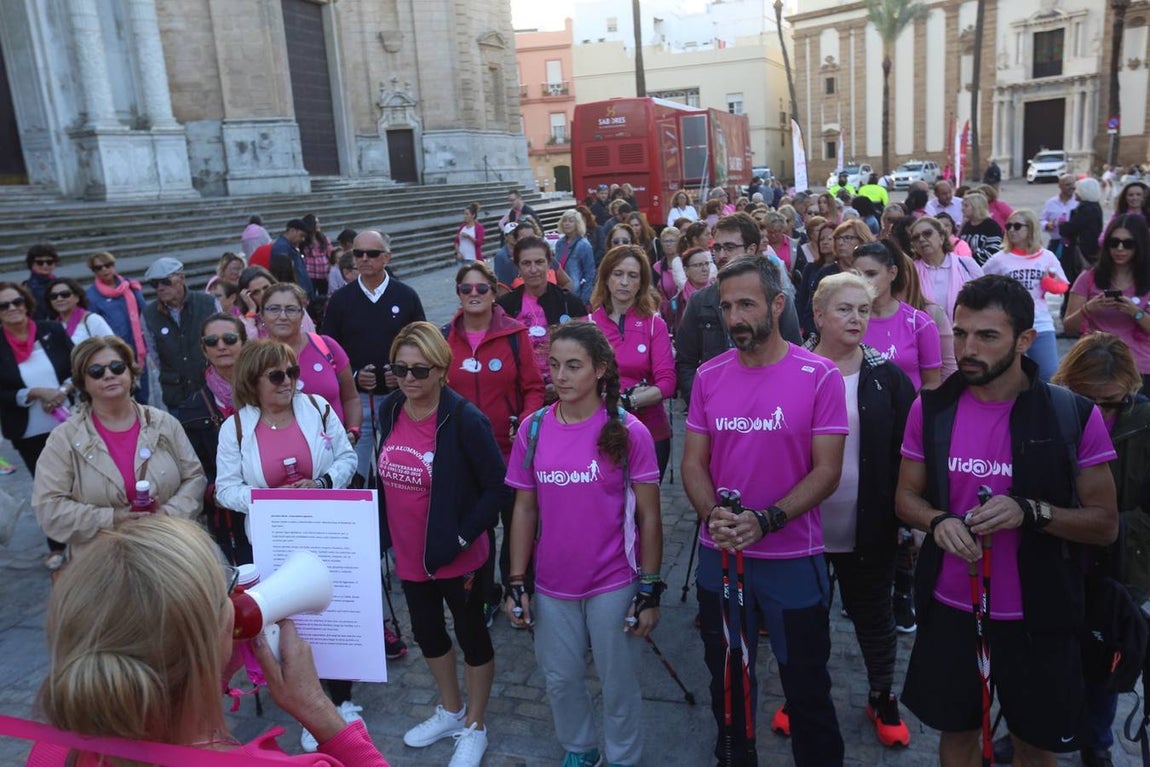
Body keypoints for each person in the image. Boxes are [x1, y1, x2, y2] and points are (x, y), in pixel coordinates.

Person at [896, 274, 1118, 766]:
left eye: (987, 336)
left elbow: (1105, 523)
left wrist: (1031, 512)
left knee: (1034, 745)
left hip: (1039, 615)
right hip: (951, 605)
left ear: (1023, 340)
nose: (968, 348)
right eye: (960, 333)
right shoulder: (931, 408)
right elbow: (905, 499)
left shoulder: (1072, 415)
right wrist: (937, 522)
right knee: (957, 735)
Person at [28, 515, 391, 766]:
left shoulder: (52, 748)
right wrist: (315, 705)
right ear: (214, 633)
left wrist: (207, 669)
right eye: (225, 593)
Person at [682, 255, 848, 766]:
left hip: (793, 559)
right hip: (722, 558)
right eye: (727, 305)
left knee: (806, 685)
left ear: (777, 305)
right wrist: (713, 515)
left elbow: (827, 471)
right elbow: (692, 463)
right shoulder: (709, 376)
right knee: (728, 680)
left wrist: (767, 519)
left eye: (746, 304)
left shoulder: (819, 375)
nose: (734, 317)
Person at [505, 321, 663, 767]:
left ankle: (624, 757)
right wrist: (517, 580)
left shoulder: (629, 431)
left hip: (613, 581)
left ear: (600, 370)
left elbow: (649, 516)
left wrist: (650, 588)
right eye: (554, 365)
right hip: (553, 583)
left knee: (618, 681)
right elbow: (524, 509)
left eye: (573, 366)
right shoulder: (533, 430)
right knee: (560, 678)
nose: (561, 375)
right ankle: (579, 747)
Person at [372, 322, 505, 767]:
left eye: (420, 370)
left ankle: (476, 725)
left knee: (472, 637)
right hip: (410, 557)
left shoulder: (465, 419)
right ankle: (451, 709)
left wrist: (462, 536)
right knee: (429, 635)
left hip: (457, 557)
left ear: (442, 370)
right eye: (400, 369)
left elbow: (496, 489)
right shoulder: (391, 408)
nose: (409, 379)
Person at [803, 271, 916, 747]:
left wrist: (909, 519)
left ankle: (881, 693)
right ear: (819, 314)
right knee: (805, 619)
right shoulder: (795, 369)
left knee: (873, 617)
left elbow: (908, 451)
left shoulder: (885, 376)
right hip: (803, 525)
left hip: (868, 523)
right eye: (845, 309)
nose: (856, 319)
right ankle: (802, 693)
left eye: (864, 310)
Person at [1048, 333, 1150, 767]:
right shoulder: (1049, 413)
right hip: (1056, 554)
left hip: (1121, 563)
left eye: (1110, 402)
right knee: (1045, 652)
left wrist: (1111, 525)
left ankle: (1096, 740)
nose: (1098, 411)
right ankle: (1036, 732)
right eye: (1087, 398)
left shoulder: (1144, 425)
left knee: (1105, 656)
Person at [32, 335, 206, 565]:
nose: (108, 375)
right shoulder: (63, 439)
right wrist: (113, 518)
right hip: (103, 566)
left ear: (130, 372)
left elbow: (194, 478)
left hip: (171, 552)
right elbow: (49, 509)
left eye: (116, 366)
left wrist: (167, 513)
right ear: (82, 382)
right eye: (96, 371)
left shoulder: (164, 423)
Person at [443, 262, 545, 621]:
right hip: (464, 456)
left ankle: (518, 590)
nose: (473, 295)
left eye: (481, 289)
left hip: (509, 451)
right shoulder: (443, 337)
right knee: (476, 530)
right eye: (465, 289)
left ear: (494, 292)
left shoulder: (515, 335)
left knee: (517, 523)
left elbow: (533, 388)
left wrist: (529, 422)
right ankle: (484, 596)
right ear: (457, 293)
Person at [321, 230, 426, 483]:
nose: (364, 258)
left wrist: (403, 373)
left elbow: (424, 344)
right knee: (355, 471)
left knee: (401, 468)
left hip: (401, 397)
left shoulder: (406, 295)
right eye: (358, 253)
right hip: (357, 402)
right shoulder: (339, 300)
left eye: (372, 253)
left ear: (386, 257)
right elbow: (327, 350)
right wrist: (354, 376)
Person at [675, 214, 802, 402]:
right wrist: (702, 402)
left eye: (729, 247)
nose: (721, 255)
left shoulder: (777, 299)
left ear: (752, 249)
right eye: (717, 248)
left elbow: (794, 355)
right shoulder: (699, 301)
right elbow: (685, 362)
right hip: (717, 406)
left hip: (770, 404)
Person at [0, 282, 73, 569]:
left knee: (80, 478)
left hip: (66, 422)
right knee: (47, 487)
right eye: (3, 305)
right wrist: (31, 393)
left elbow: (76, 366)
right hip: (27, 430)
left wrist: (62, 392)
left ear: (27, 303)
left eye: (16, 301)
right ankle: (56, 544)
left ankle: (89, 536)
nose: (12, 308)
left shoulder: (51, 331)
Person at [590, 245, 676, 480]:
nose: (625, 282)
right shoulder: (588, 325)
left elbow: (667, 382)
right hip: (599, 432)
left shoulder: (654, 325)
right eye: (618, 274)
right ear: (606, 277)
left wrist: (627, 400)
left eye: (633, 276)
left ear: (642, 282)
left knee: (645, 511)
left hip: (650, 432)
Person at [176, 312, 253, 565]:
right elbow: (193, 468)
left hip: (272, 506)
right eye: (212, 341)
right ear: (204, 349)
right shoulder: (192, 408)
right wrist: (214, 493)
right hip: (227, 515)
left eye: (229, 338)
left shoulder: (268, 391)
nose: (221, 346)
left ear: (243, 342)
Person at [496, 236, 588, 402]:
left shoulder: (570, 303)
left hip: (566, 390)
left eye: (539, 262)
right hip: (520, 393)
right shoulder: (505, 306)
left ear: (549, 264)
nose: (533, 269)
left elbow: (585, 350)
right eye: (526, 263)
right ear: (518, 267)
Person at [1065, 214, 1150, 393]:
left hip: (1140, 367)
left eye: (1128, 244)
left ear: (1140, 246)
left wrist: (1136, 312)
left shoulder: (1146, 280)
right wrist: (1088, 308)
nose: (1120, 248)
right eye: (1114, 242)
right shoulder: (1088, 278)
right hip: (1096, 365)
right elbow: (1069, 327)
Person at [981, 209, 1068, 381]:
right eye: (1009, 226)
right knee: (1004, 376)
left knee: (1049, 375)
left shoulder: (1047, 257)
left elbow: (1063, 285)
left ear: (1031, 229)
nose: (1011, 230)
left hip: (1040, 323)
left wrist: (1049, 283)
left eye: (1017, 226)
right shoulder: (999, 259)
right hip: (1007, 325)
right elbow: (980, 284)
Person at [260, 283, 361, 433]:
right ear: (262, 315)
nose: (282, 316)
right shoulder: (255, 358)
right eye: (274, 309)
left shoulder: (327, 346)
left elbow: (351, 398)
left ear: (302, 315)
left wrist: (353, 431)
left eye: (291, 309)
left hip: (334, 449)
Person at [852, 242, 942, 390]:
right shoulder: (849, 321)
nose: (864, 281)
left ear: (892, 273)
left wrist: (914, 411)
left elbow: (932, 382)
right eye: (857, 275)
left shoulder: (919, 323)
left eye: (871, 274)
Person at [141, 258, 219, 411]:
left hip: (211, 388)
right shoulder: (148, 315)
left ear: (182, 278)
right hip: (176, 395)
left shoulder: (208, 303)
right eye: (154, 284)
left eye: (165, 281)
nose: (160, 288)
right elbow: (155, 355)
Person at [85, 251, 150, 405]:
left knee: (143, 395)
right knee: (123, 393)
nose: (104, 270)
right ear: (94, 271)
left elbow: (144, 312)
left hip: (137, 349)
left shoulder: (130, 287)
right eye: (98, 268)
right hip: (114, 351)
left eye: (108, 265)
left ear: (114, 265)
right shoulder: (91, 296)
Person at [909, 215, 984, 324]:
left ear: (942, 237)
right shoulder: (911, 272)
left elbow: (985, 299)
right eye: (916, 237)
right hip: (925, 336)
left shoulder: (966, 264)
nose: (921, 239)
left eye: (927, 233)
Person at [1060, 177, 1105, 297]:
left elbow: (1071, 228)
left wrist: (1062, 225)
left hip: (1082, 250)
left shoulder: (1086, 209)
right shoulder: (1094, 207)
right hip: (1088, 248)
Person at [44, 278, 114, 345]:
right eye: (53, 296)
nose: (59, 299)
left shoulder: (92, 320)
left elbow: (113, 346)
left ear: (77, 297)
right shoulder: (52, 326)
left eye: (65, 294)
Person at [555, 209, 596, 305]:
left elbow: (590, 273)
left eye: (570, 221)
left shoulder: (584, 245)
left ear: (577, 223)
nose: (567, 223)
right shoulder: (559, 243)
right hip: (560, 291)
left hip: (576, 293)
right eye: (564, 220)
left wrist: (584, 298)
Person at [958, 192, 1003, 265]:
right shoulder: (966, 225)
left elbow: (995, 249)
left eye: (966, 206)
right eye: (962, 206)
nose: (962, 209)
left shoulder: (991, 225)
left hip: (984, 268)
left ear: (976, 207)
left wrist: (971, 260)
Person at [1040, 174, 1078, 258]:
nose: (1072, 187)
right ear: (1060, 186)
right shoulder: (1051, 203)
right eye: (1068, 184)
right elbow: (1042, 220)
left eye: (1073, 184)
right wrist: (1047, 225)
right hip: (1056, 243)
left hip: (1074, 244)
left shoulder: (1079, 202)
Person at [23, 244, 58, 321]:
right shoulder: (33, 288)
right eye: (40, 262)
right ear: (31, 264)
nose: (45, 265)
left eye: (49, 262)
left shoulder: (55, 281)